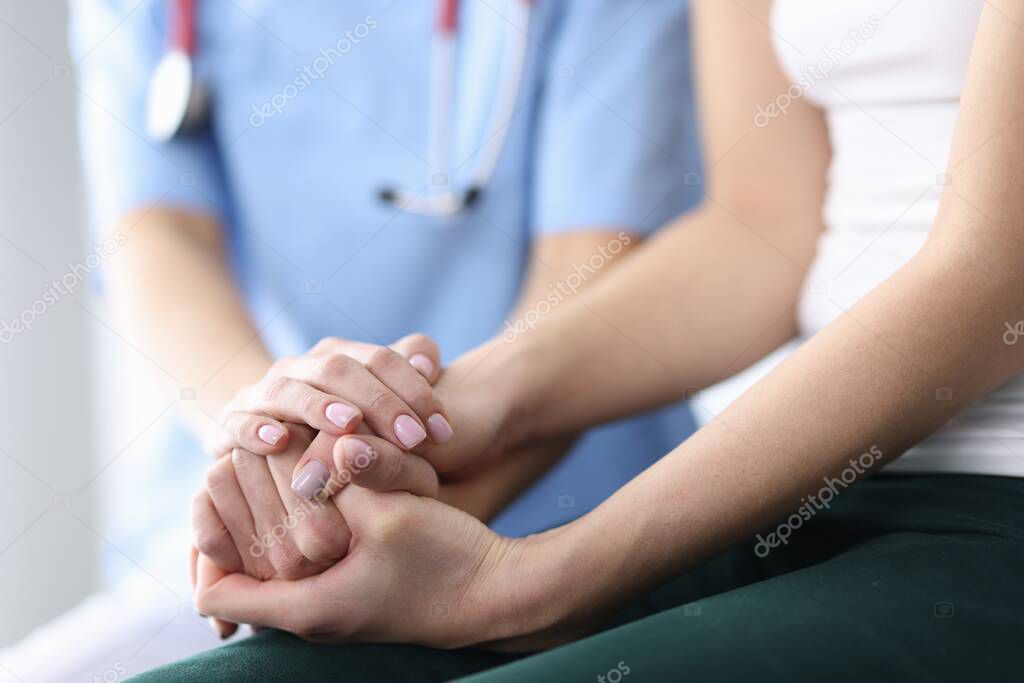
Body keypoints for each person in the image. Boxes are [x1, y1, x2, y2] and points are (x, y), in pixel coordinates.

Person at [138, 0, 1024, 680]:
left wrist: (526, 585)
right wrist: (409, 420)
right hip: (811, 498)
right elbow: (762, 231)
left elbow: (993, 276)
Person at [0, 1, 700, 679]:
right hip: (243, 531)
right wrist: (266, 445)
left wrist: (406, 506)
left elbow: (594, 263)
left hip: (574, 516)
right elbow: (157, 236)